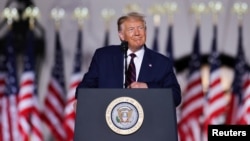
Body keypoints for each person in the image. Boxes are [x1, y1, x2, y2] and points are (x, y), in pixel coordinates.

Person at [75, 12, 181, 107]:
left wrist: (148, 87)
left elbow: (175, 97)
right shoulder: (103, 57)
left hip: (148, 124)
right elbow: (85, 88)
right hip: (107, 122)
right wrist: (81, 100)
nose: (137, 33)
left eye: (140, 28)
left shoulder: (162, 63)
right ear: (121, 35)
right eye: (131, 29)